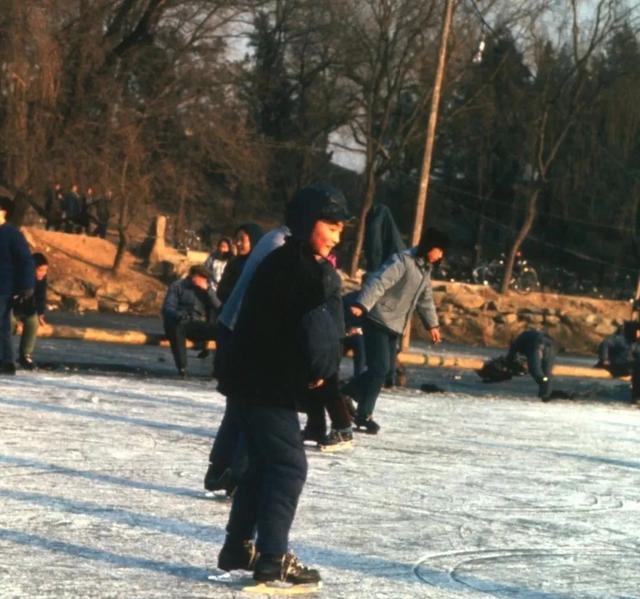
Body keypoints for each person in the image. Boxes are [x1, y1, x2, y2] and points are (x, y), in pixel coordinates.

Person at [215, 183, 349, 591]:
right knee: (289, 467)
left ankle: (238, 547)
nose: (337, 235)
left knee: (262, 466)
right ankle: (272, 558)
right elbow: (321, 338)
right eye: (330, 225)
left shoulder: (282, 260)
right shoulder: (305, 271)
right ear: (308, 223)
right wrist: (324, 376)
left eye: (341, 228)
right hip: (267, 384)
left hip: (249, 379)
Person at [342, 227, 449, 434]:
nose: (440, 255)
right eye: (438, 250)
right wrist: (363, 304)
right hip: (378, 319)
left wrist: (432, 325)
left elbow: (425, 299)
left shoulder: (425, 268)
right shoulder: (403, 261)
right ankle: (363, 414)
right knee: (379, 368)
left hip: (395, 324)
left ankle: (345, 393)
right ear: (429, 246)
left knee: (386, 371)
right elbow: (379, 281)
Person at [161, 264, 220, 377]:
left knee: (221, 331)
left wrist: (208, 290)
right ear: (193, 276)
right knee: (178, 328)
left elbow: (219, 307)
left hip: (195, 325)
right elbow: (167, 308)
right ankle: (182, 368)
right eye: (201, 277)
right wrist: (179, 315)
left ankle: (219, 368)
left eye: (205, 278)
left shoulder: (207, 289)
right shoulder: (177, 286)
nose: (203, 280)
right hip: (177, 323)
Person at [0, 196, 35, 375]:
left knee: (2, 324)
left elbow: (26, 261)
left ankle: (6, 361)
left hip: (4, 288)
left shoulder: (12, 234)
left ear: (3, 212)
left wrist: (27, 286)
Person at [12, 253, 48, 370]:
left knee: (33, 322)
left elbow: (40, 297)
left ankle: (25, 355)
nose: (43, 273)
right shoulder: (19, 277)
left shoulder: (41, 280)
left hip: (26, 308)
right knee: (10, 322)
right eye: (40, 270)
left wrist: (40, 313)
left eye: (45, 270)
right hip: (10, 307)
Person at [215, 224, 264, 304]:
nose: (238, 243)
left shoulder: (260, 265)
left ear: (253, 240)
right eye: (236, 239)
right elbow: (221, 291)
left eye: (242, 239)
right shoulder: (233, 263)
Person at [506, 330, 556, 401]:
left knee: (536, 369)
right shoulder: (527, 335)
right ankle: (545, 394)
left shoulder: (520, 340)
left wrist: (508, 361)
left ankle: (543, 382)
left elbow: (512, 352)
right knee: (547, 372)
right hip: (550, 343)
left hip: (537, 342)